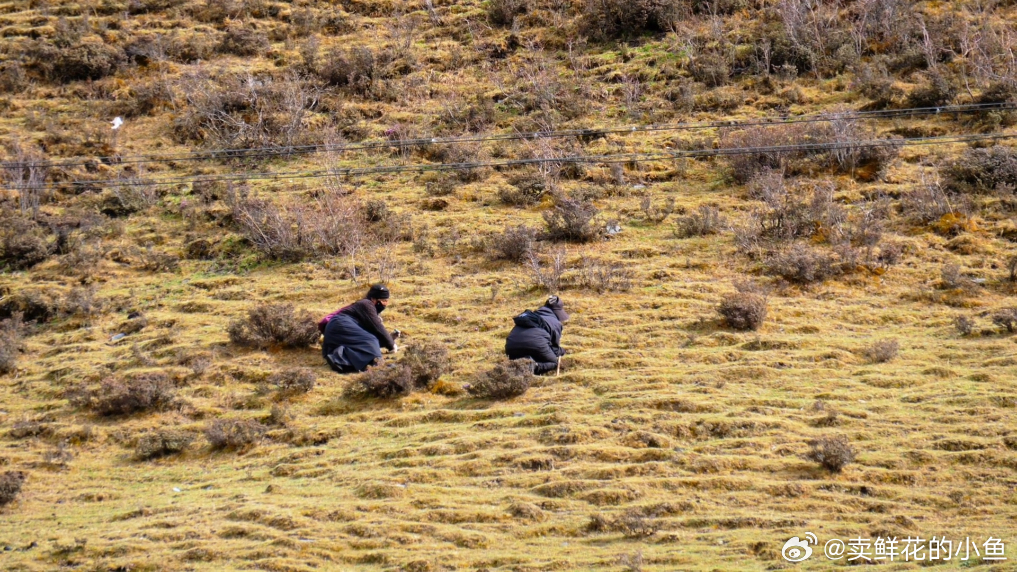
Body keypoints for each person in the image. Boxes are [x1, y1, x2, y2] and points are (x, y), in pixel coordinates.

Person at [319, 284, 400, 373]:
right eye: (383, 301)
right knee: (371, 342)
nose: (385, 304)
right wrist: (391, 345)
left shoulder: (366, 307)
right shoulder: (366, 304)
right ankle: (339, 360)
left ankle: (341, 356)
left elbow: (368, 334)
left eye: (387, 301)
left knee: (370, 342)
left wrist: (389, 338)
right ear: (373, 299)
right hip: (340, 324)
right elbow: (377, 327)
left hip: (336, 329)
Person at [505, 296, 569, 375]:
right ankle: (532, 367)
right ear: (557, 312)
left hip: (511, 345)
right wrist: (563, 351)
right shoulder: (555, 323)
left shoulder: (531, 316)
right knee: (553, 362)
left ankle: (515, 367)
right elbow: (554, 350)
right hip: (535, 344)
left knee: (532, 353)